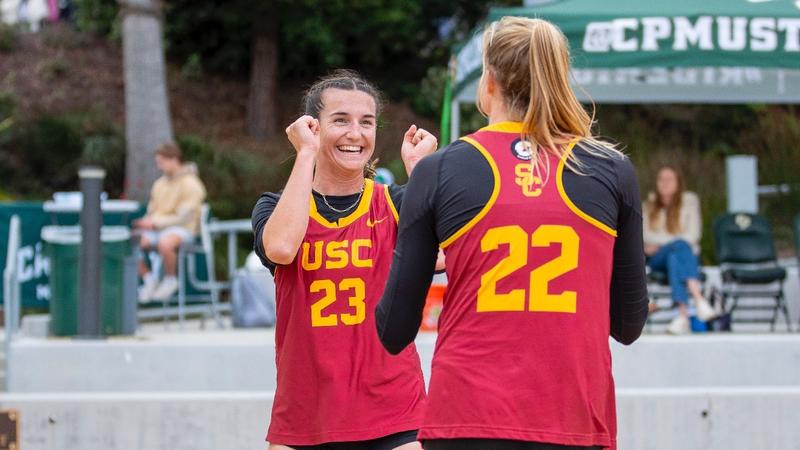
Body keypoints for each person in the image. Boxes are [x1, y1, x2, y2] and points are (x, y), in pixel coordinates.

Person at [376, 17, 648, 450]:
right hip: (573, 414)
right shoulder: (611, 169)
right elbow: (628, 325)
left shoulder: (439, 169)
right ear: (559, 77)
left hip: (466, 417)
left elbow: (393, 330)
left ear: (489, 83)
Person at [251, 70, 437, 450]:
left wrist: (421, 172)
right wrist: (305, 153)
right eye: (341, 120)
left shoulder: (396, 202)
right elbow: (282, 248)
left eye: (366, 122)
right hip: (305, 416)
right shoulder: (274, 208)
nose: (356, 133)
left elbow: (448, 255)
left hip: (394, 413)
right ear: (311, 128)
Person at [643, 165, 715, 334]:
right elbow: (645, 236)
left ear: (678, 183)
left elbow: (694, 234)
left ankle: (681, 315)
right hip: (657, 259)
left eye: (669, 179)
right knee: (680, 246)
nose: (665, 183)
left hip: (675, 257)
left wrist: (664, 243)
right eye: (661, 179)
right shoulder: (648, 205)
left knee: (675, 256)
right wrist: (674, 242)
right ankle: (698, 299)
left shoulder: (690, 202)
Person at [134, 141, 207, 302]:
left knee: (165, 243)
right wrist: (147, 222)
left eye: (161, 162)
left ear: (174, 159)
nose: (159, 167)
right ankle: (149, 279)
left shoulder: (191, 184)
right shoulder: (159, 184)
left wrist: (155, 223)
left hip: (183, 229)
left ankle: (170, 279)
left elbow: (184, 217)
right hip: (158, 230)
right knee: (133, 241)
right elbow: (152, 211)